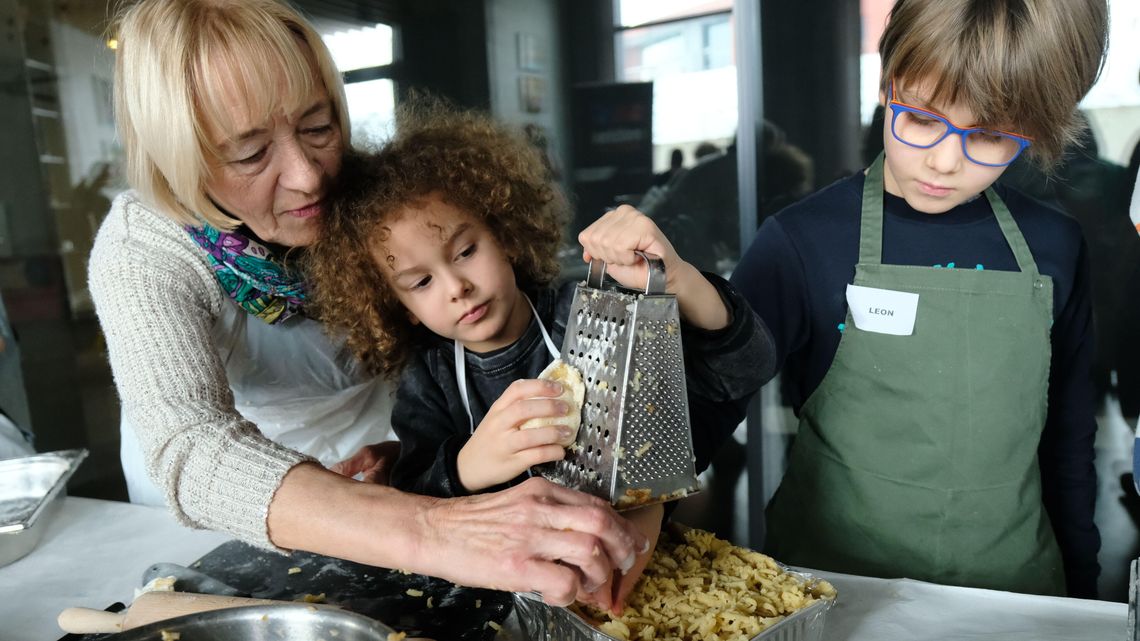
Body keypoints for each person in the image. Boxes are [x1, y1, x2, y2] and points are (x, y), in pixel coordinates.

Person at [88, 0, 648, 606]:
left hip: (395, 481)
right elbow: (193, 447)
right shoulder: (143, 249)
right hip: (232, 516)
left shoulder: (376, 198)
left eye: (318, 126)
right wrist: (432, 526)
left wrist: (424, 463)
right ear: (178, 159)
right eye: (250, 154)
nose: (308, 177)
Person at [306, 102, 776, 611]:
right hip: (506, 594)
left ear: (504, 237)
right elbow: (416, 504)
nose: (457, 287)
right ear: (399, 308)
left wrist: (678, 277)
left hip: (634, 571)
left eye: (466, 252)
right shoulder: (430, 379)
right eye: (421, 282)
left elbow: (740, 369)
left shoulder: (586, 312)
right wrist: (467, 465)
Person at [731, 0, 1107, 598]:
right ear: (888, 84)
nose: (944, 161)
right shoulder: (804, 241)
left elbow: (1068, 434)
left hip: (1011, 594)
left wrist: (1085, 603)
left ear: (1032, 132)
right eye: (924, 119)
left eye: (987, 135)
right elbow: (708, 398)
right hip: (830, 590)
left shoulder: (1055, 245)